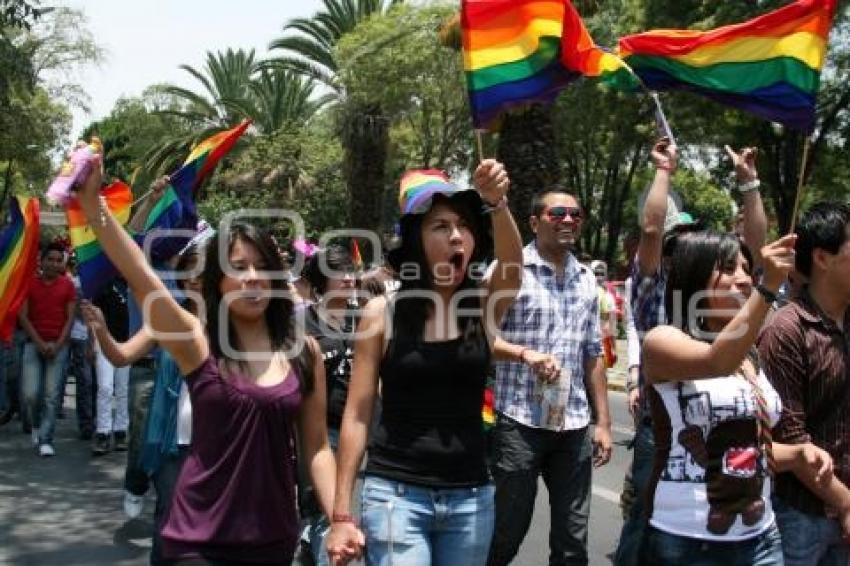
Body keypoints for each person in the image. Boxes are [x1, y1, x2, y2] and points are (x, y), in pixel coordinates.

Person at [75, 157, 336, 564]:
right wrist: (95, 208)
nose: (251, 277)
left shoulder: (304, 351)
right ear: (219, 281)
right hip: (197, 542)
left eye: (262, 266)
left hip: (273, 541)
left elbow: (317, 447)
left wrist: (342, 517)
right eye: (238, 267)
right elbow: (141, 273)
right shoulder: (196, 341)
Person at [326, 163, 522, 566]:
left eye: (464, 226)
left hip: (471, 497)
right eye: (440, 226)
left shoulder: (483, 305)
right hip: (396, 498)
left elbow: (514, 265)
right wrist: (342, 513)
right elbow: (358, 414)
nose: (455, 235)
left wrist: (497, 204)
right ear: (416, 239)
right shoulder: (381, 313)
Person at [641, 230, 842, 565]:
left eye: (748, 270)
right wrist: (767, 287)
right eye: (728, 268)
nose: (743, 279)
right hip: (687, 542)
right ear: (695, 277)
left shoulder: (750, 355)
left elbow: (747, 450)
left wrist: (797, 453)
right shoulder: (662, 341)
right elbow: (716, 363)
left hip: (760, 539)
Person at [613, 139, 768, 566]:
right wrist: (663, 170)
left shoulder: (730, 304)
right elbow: (649, 230)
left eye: (687, 238)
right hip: (663, 432)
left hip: (732, 432)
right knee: (645, 526)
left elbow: (758, 254)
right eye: (671, 240)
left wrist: (750, 183)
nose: (679, 246)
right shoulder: (651, 291)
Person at [486, 188, 612, 566]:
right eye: (558, 213)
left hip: (573, 425)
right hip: (518, 422)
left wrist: (603, 422)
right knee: (507, 531)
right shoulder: (508, 271)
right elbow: (482, 338)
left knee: (573, 540)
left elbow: (593, 354)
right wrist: (525, 355)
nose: (569, 220)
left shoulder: (588, 279)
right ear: (534, 222)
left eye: (576, 214)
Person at [82, 244, 203, 565]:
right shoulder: (166, 320)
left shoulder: (233, 324)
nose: (195, 280)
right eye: (188, 273)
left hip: (220, 445)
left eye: (202, 273)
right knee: (169, 515)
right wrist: (102, 331)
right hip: (172, 442)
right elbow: (121, 355)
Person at [758, 202, 850, 565]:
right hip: (801, 516)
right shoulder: (787, 330)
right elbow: (789, 438)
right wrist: (844, 503)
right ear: (823, 258)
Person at [298, 244, 359, 565]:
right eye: (339, 272)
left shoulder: (365, 319)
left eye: (351, 271)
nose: (348, 278)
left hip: (361, 430)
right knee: (328, 510)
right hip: (320, 432)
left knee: (349, 511)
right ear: (322, 280)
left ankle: (312, 545)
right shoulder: (302, 323)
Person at [17, 243, 76, 457]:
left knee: (52, 395)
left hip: (58, 347)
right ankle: (35, 426)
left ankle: (45, 439)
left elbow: (70, 318)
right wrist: (40, 343)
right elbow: (23, 316)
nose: (53, 263)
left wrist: (58, 344)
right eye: (49, 259)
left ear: (62, 263)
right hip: (34, 345)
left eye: (58, 260)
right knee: (30, 395)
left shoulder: (68, 285)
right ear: (41, 261)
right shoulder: (29, 284)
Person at [91, 279, 131, 454]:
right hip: (104, 343)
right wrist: (93, 342)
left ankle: (121, 430)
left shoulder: (134, 284)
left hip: (129, 344)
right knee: (105, 388)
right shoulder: (102, 285)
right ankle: (103, 432)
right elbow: (93, 316)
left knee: (123, 389)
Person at [65, 264, 95, 440]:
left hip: (93, 337)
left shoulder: (99, 283)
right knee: (84, 381)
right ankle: (86, 423)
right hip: (74, 336)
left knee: (92, 382)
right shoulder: (74, 284)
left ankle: (92, 421)